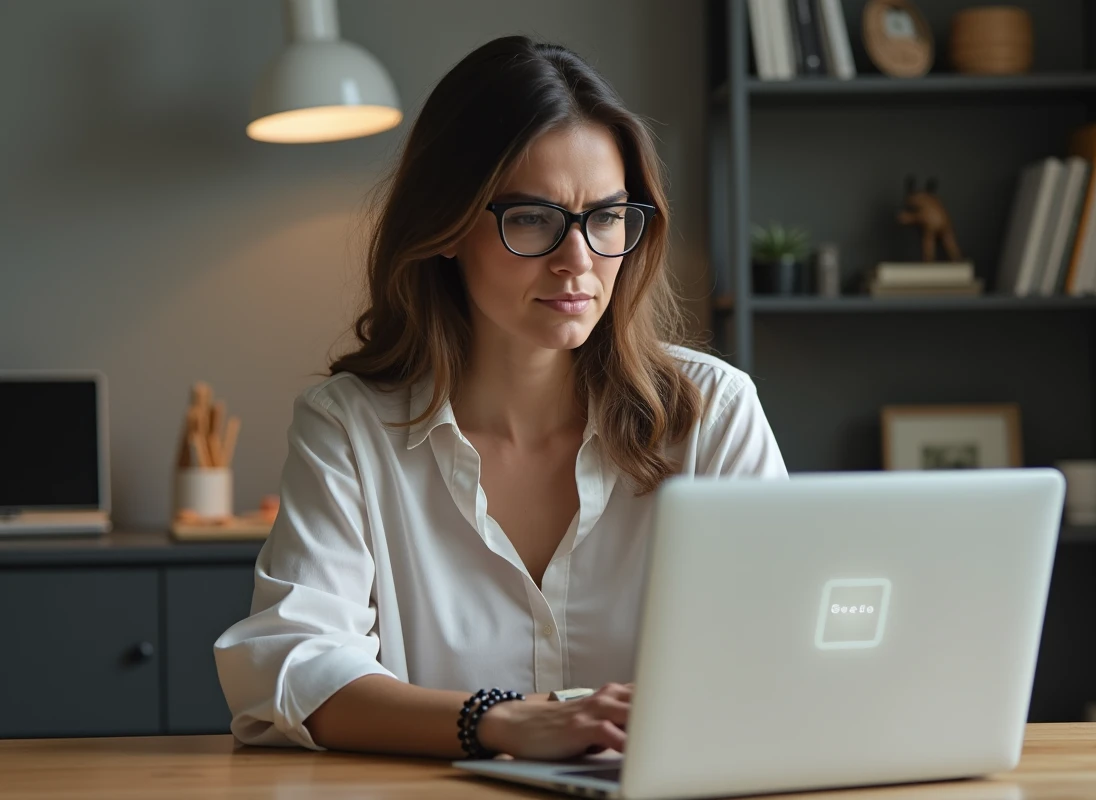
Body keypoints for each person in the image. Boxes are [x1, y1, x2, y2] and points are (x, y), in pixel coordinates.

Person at [213, 34, 786, 763]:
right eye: (533, 219)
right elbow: (290, 667)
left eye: (606, 217)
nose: (578, 261)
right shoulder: (351, 427)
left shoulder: (713, 413)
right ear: (448, 228)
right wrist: (499, 720)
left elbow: (781, 652)